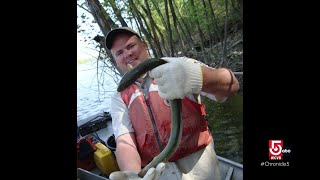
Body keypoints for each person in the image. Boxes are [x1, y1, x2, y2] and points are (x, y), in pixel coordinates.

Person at [106, 27, 240, 180]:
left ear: (144, 45)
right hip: (157, 174)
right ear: (115, 61)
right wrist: (133, 174)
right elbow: (124, 142)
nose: (127, 54)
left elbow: (232, 85)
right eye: (119, 53)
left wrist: (197, 76)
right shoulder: (119, 97)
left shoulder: (178, 65)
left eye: (131, 46)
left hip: (202, 168)